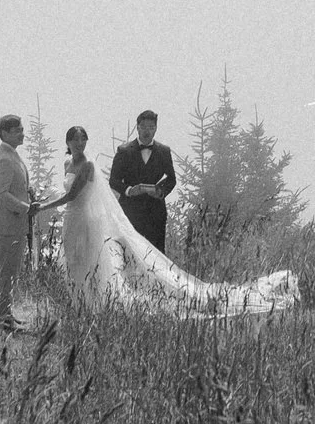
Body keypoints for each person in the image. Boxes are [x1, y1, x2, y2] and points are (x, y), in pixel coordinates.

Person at [35, 126, 298, 315]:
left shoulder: (88, 166)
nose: (79, 144)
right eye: (75, 140)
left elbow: (73, 194)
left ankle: (91, 304)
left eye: (83, 140)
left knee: (87, 259)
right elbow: (68, 192)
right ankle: (78, 302)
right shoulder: (67, 162)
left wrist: (41, 207)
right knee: (73, 259)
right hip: (73, 218)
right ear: (68, 142)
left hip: (85, 219)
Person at [0, 115, 34, 331]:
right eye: (17, 130)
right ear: (5, 133)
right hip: (7, 223)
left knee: (11, 271)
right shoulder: (3, 158)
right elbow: (2, 195)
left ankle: (5, 312)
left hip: (15, 223)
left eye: (22, 129)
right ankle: (1, 315)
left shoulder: (11, 154)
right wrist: (26, 208)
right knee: (7, 271)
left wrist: (29, 194)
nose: (22, 133)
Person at [110, 111, 177, 252]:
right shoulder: (124, 151)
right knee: (129, 252)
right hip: (130, 210)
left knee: (156, 254)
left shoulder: (164, 151)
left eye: (151, 127)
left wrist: (161, 191)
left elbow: (171, 179)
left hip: (156, 211)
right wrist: (129, 190)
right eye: (144, 127)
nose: (147, 131)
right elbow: (113, 180)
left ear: (156, 128)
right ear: (138, 127)